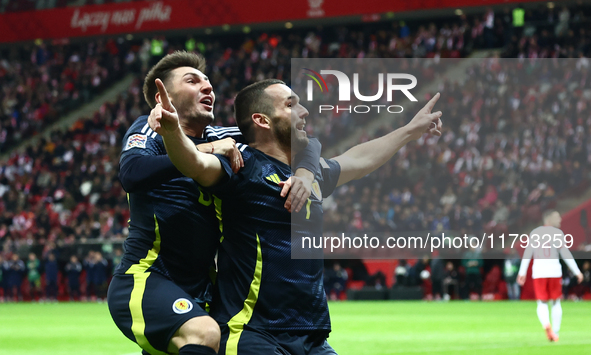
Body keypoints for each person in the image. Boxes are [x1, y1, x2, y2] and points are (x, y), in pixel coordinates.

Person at [148, 78, 442, 354]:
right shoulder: (242, 165)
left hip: (311, 335)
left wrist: (410, 131)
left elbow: (358, 159)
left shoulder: (312, 176)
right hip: (253, 332)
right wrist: (173, 132)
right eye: (290, 105)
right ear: (262, 120)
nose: (303, 112)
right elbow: (195, 163)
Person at [108, 52, 321, 355]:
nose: (207, 87)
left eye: (208, 82)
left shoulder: (227, 136)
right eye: (192, 81)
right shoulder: (149, 129)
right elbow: (131, 174)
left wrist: (303, 173)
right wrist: (204, 148)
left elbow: (303, 138)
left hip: (203, 290)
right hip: (147, 278)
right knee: (205, 333)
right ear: (162, 97)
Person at [517, 210, 583, 342]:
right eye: (557, 217)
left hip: (539, 271)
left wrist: (522, 272)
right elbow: (565, 254)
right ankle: (556, 332)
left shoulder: (535, 233)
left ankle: (547, 325)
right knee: (556, 302)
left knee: (541, 302)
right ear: (548, 219)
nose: (560, 220)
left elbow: (528, 253)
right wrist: (576, 271)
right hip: (554, 270)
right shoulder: (557, 233)